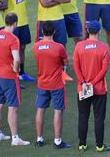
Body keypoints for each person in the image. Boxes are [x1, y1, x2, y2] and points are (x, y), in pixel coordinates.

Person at [0, 13, 30, 146]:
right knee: (13, 107)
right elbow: (17, 58)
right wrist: (16, 69)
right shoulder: (13, 38)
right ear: (15, 23)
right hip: (9, 77)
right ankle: (15, 138)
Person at [73, 20, 110, 152]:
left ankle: (82, 144)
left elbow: (76, 67)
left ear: (88, 31)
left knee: (83, 116)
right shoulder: (104, 47)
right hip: (99, 89)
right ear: (99, 31)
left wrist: (84, 83)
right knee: (99, 118)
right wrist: (93, 83)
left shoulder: (79, 46)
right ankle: (99, 146)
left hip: (83, 88)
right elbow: (104, 69)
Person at [33, 21, 70, 149]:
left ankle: (39, 139)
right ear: (54, 32)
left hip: (42, 83)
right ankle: (57, 141)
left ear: (42, 32)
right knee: (58, 111)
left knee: (40, 110)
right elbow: (66, 62)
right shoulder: (59, 47)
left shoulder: (36, 46)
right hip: (56, 84)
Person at [2, 0, 34, 82]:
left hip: (24, 22)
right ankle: (12, 74)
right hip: (12, 25)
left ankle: (22, 72)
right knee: (12, 49)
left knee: (23, 47)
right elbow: (3, 3)